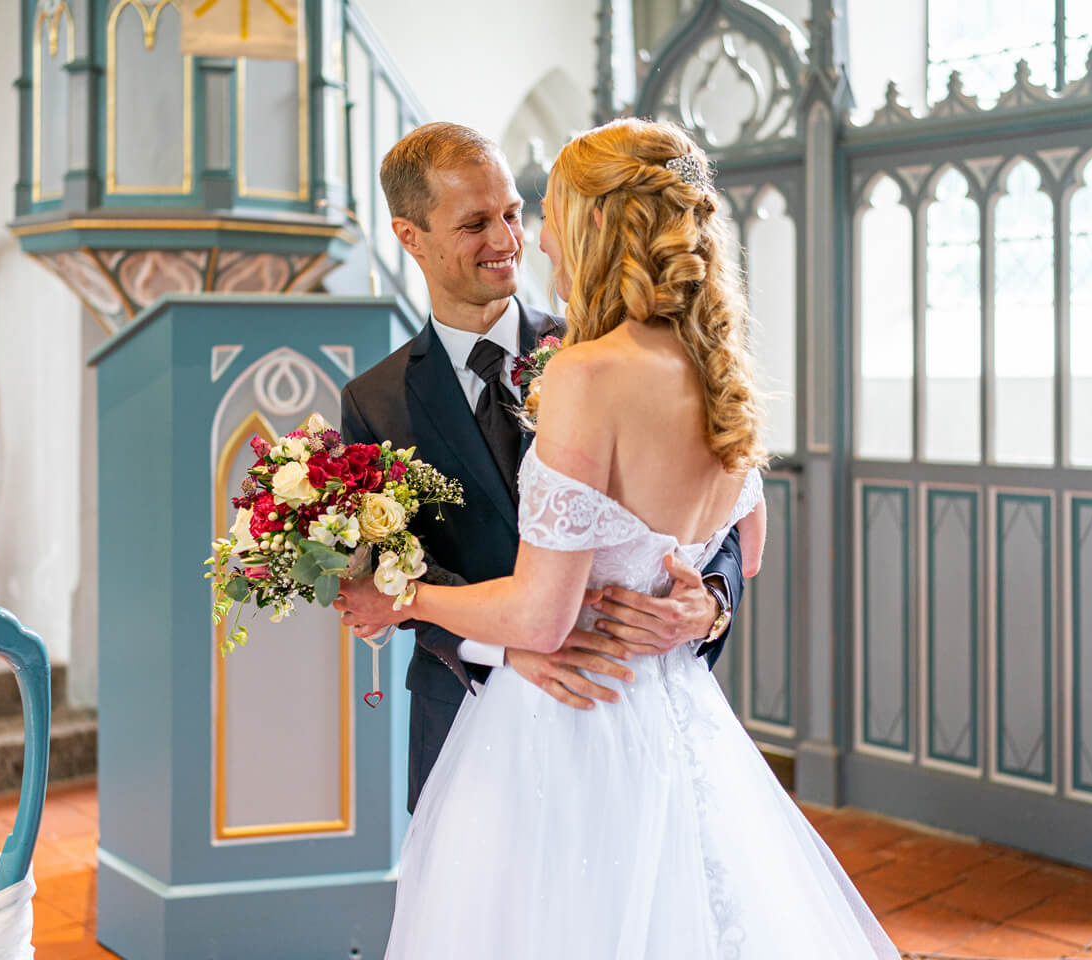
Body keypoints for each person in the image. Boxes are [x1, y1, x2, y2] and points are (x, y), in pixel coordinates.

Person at [381, 118, 899, 958]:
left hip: (568, 733)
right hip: (674, 719)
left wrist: (393, 595)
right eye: (490, 220)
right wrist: (685, 593)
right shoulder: (719, 367)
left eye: (543, 211)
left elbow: (546, 616)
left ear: (595, 223)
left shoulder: (584, 371)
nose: (531, 238)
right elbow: (748, 541)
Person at [334, 122, 747, 814]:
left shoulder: (598, 349)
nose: (507, 243)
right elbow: (388, 569)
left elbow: (720, 517)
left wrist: (710, 604)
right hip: (469, 720)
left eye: (514, 214)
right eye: (474, 225)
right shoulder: (374, 401)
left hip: (622, 708)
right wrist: (508, 648)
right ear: (410, 237)